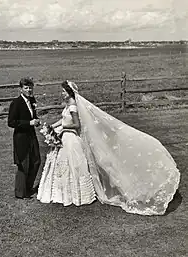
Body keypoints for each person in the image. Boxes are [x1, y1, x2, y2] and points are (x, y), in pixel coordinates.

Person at [37, 80, 180, 215]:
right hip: (65, 136)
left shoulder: (73, 105)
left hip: (71, 138)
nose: (62, 93)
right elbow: (63, 119)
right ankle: (63, 192)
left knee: (72, 165)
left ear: (69, 92)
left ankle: (75, 193)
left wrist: (62, 128)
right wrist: (52, 127)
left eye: (63, 91)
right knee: (64, 165)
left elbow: (76, 124)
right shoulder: (68, 104)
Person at [8, 77, 41, 199]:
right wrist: (29, 123)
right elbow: (11, 122)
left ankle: (28, 187)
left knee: (36, 161)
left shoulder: (32, 100)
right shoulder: (16, 103)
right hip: (21, 137)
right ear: (21, 89)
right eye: (26, 88)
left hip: (31, 136)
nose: (29, 90)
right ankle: (21, 193)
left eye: (30, 87)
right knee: (23, 164)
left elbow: (33, 115)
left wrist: (36, 121)